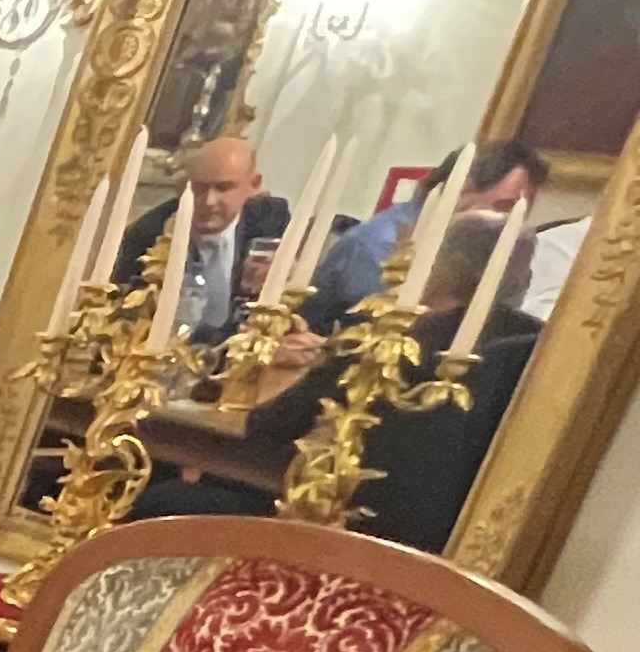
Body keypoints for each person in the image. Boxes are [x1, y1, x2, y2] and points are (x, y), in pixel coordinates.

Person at [136, 213, 541, 548]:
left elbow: (266, 429)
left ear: (433, 268)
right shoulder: (529, 348)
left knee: (162, 498)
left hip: (336, 526)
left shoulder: (386, 342)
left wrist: (282, 369)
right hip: (438, 538)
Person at [304, 139, 545, 332]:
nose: (508, 224)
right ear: (463, 188)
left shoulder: (477, 250)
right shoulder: (379, 245)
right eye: (504, 208)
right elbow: (393, 332)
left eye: (520, 216)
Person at [109, 132, 284, 345]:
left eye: (223, 188)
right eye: (199, 188)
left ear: (254, 184)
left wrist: (277, 279)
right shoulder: (149, 233)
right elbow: (123, 318)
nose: (209, 201)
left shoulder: (270, 222)